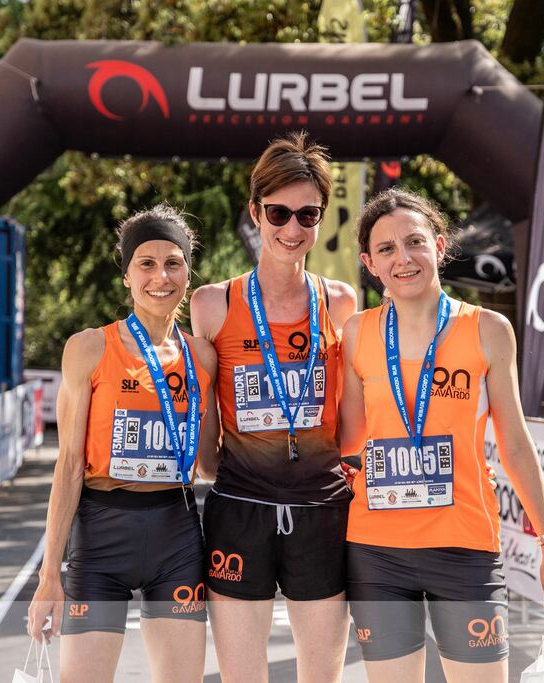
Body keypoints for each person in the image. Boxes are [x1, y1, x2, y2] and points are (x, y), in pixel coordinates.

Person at [339, 189, 544, 683]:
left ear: (439, 246)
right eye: (386, 249)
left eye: (415, 242)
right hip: (377, 551)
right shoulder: (357, 332)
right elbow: (348, 439)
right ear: (369, 263)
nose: (403, 258)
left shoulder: (488, 329)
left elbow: (514, 443)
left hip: (465, 545)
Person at [189, 131, 358, 682]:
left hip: (322, 508)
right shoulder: (213, 303)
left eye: (308, 215)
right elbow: (205, 427)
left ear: (321, 218)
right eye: (279, 213)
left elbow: (351, 415)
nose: (292, 229)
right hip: (240, 507)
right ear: (255, 212)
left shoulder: (341, 302)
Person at [26, 206, 219, 683]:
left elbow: (210, 464)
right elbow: (69, 465)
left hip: (176, 534)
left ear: (188, 273)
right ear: (127, 275)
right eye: (146, 264)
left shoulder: (202, 356)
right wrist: (49, 576)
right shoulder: (89, 347)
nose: (161, 277)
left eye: (173, 263)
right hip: (101, 537)